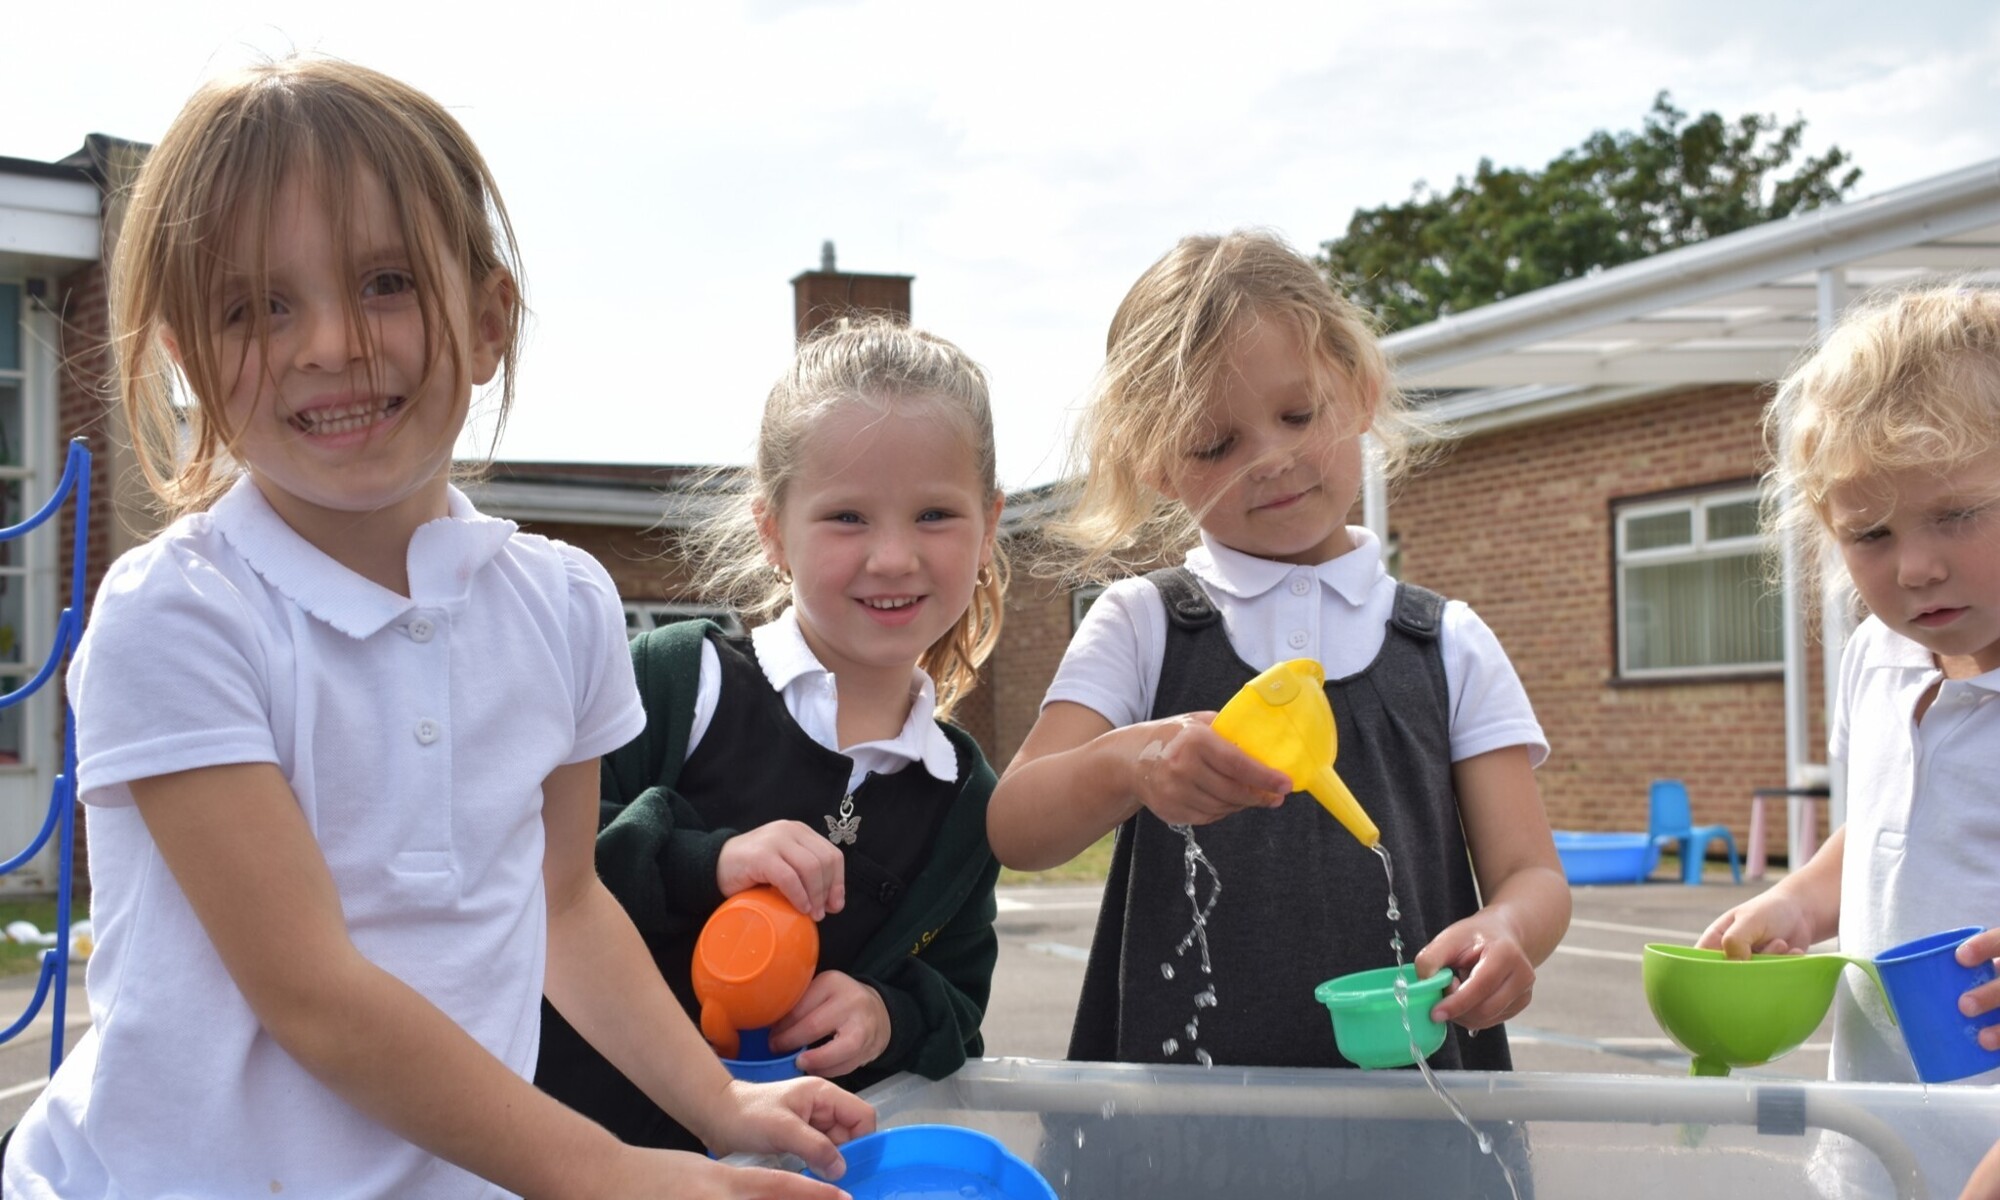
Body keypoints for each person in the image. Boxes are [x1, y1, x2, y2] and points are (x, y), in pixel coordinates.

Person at [3, 58, 870, 1200]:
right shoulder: (182, 615)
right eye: (257, 306)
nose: (328, 344)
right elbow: (310, 990)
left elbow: (565, 905)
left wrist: (717, 1102)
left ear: (490, 316)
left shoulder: (562, 606)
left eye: (384, 283)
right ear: (185, 362)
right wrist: (612, 1173)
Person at [985, 231, 1568, 1195]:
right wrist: (1133, 766)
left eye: (1299, 413)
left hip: (1418, 1132)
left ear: (1362, 389)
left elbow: (1530, 872)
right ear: (1159, 465)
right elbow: (1016, 826)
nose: (1273, 459)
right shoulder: (1145, 626)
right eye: (1216, 444)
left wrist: (1510, 932)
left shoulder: (1447, 642)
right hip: (1178, 1137)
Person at [536, 316, 1006, 1152]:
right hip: (590, 1163)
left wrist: (885, 1016)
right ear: (772, 530)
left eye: (935, 514)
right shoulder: (676, 684)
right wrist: (705, 859)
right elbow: (543, 878)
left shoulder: (966, 796)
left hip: (800, 1174)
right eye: (848, 518)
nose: (894, 556)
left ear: (991, 525)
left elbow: (959, 999)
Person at [1696, 287, 2000, 1199]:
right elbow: (1876, 830)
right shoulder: (1877, 657)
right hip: (1878, 1141)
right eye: (1870, 533)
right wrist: (1797, 902)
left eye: (1958, 514)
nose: (1916, 567)